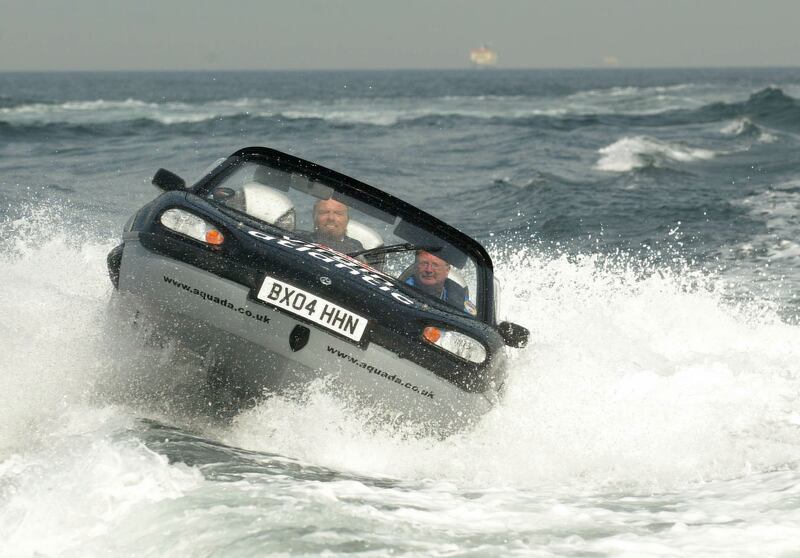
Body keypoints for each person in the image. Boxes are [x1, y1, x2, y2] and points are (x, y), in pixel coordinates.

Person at [405, 250, 474, 314]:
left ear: (447, 270)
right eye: (424, 264)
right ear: (415, 266)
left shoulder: (459, 298)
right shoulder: (401, 290)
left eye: (435, 265)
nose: (429, 270)